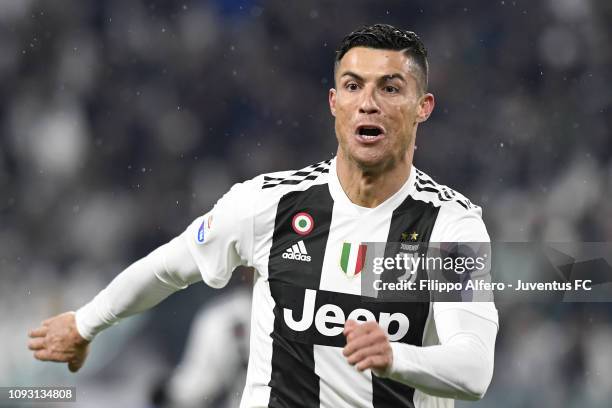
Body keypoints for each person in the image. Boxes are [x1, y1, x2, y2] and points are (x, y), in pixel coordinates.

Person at [28, 24, 498, 408]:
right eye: (353, 86)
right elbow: (170, 266)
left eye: (390, 88)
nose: (368, 102)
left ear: (423, 108)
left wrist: (393, 356)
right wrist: (85, 323)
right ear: (335, 104)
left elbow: (473, 370)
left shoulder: (449, 227)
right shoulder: (267, 203)